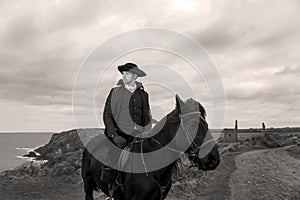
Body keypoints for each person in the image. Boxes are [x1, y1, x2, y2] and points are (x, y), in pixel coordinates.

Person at [100, 63, 152, 185]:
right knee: (112, 164)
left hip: (138, 136)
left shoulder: (143, 95)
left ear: (135, 76)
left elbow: (147, 117)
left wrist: (146, 132)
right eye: (123, 73)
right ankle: (111, 192)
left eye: (127, 73)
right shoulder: (115, 92)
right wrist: (113, 135)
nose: (123, 76)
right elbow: (107, 115)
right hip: (119, 136)